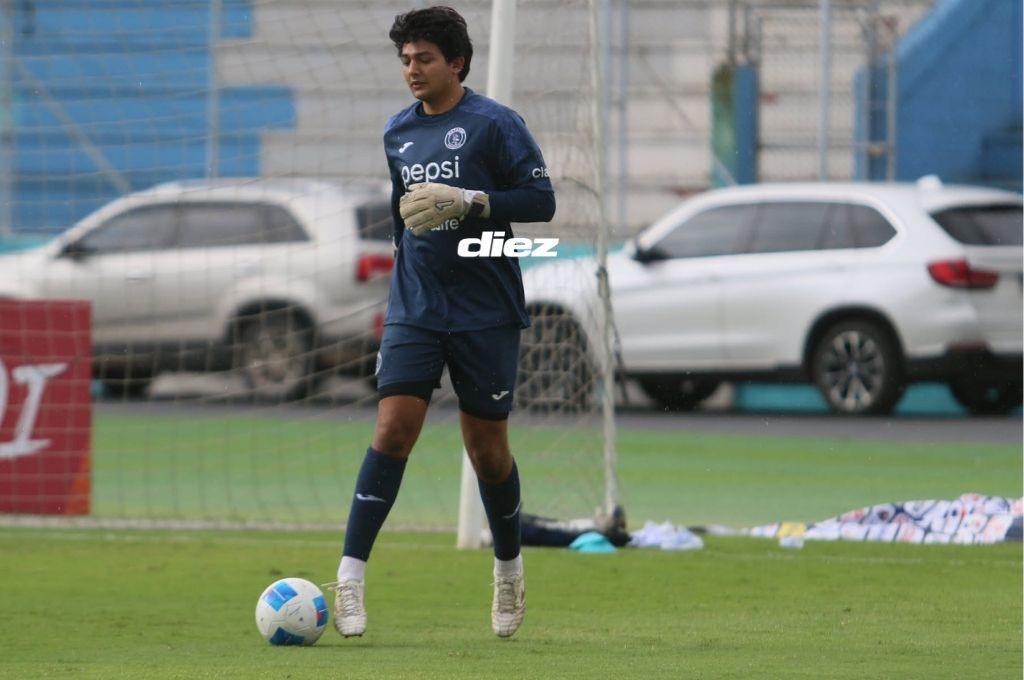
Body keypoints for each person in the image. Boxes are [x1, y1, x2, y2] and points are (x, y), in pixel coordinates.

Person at [324, 6, 555, 640]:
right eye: (405, 59)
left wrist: (472, 202)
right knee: (394, 429)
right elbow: (406, 224)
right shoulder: (397, 133)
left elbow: (542, 201)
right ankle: (348, 578)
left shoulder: (496, 125)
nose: (412, 70)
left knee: (488, 453)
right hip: (417, 308)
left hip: (485, 310)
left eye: (424, 58)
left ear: (457, 62)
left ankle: (507, 569)